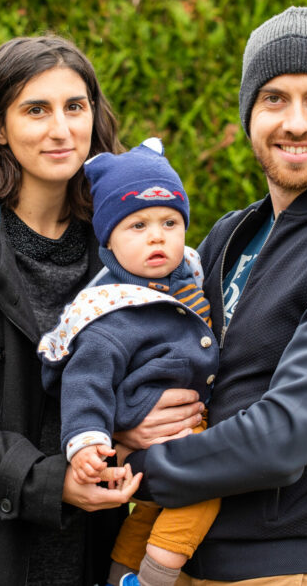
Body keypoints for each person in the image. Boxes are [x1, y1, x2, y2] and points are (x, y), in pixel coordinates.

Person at [119, 6, 307, 584]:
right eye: (274, 99)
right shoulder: (230, 234)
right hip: (177, 553)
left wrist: (131, 466)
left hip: (280, 569)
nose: (296, 122)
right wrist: (123, 421)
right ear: (249, 115)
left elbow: (282, 440)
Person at [0, 36, 199, 585]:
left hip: (89, 547)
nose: (61, 129)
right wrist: (42, 479)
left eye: (75, 107)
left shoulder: (121, 251)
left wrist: (131, 426)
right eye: (36, 110)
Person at [38, 139, 220, 586]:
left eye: (170, 222)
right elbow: (86, 383)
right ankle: (158, 577)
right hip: (159, 433)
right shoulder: (108, 313)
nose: (157, 235)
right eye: (136, 225)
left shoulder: (188, 278)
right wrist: (85, 443)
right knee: (206, 490)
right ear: (109, 242)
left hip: (181, 428)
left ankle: (121, 574)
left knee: (152, 509)